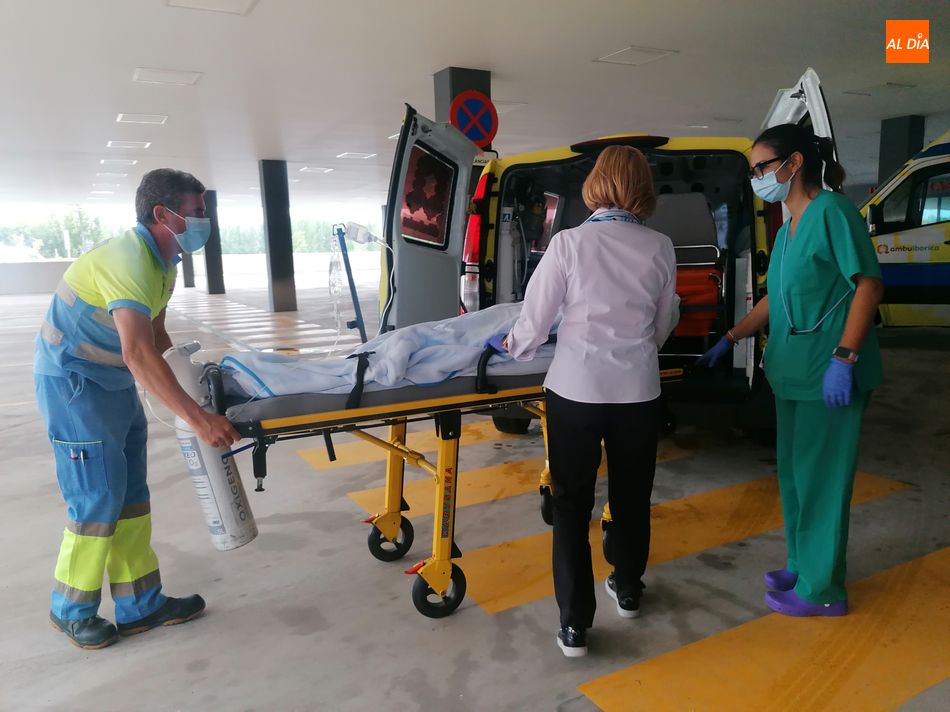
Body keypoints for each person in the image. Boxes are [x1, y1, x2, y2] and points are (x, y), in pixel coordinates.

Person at [34, 168, 241, 649]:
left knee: (129, 494)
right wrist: (197, 418)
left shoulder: (163, 263)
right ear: (161, 214)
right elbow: (137, 352)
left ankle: (140, 605)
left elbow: (158, 339)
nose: (203, 220)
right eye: (195, 212)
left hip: (113, 382)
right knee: (96, 497)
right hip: (74, 384)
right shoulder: (129, 260)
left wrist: (194, 392)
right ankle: (70, 610)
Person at [487, 146, 677, 657]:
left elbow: (536, 316)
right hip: (638, 392)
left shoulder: (569, 243)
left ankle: (575, 624)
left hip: (575, 390)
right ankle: (629, 588)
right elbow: (663, 323)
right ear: (642, 189)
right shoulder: (660, 247)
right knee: (633, 495)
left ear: (595, 185)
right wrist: (636, 351)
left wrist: (513, 346)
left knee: (572, 506)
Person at [697, 123, 884, 617]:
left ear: (794, 163)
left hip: (829, 375)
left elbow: (867, 285)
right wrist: (732, 337)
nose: (758, 177)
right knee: (797, 479)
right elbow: (774, 299)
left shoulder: (833, 212)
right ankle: (802, 564)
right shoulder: (787, 229)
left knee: (823, 481)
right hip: (793, 374)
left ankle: (824, 590)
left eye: (762, 166)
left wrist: (845, 358)